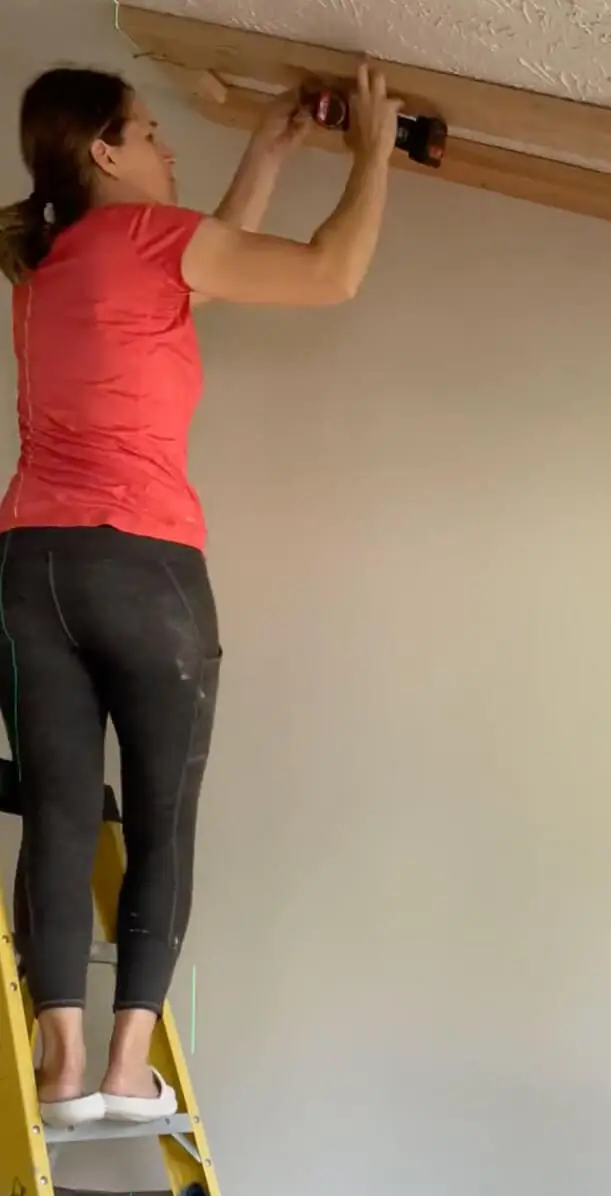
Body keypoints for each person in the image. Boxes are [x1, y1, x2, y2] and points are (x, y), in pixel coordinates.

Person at [0, 61, 400, 1128]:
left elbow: (198, 270)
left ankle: (61, 1066)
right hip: (147, 571)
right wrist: (370, 153)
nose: (168, 149)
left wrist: (268, 151)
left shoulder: (42, 264)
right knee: (162, 819)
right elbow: (332, 272)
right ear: (104, 152)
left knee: (59, 815)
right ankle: (129, 1071)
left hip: (31, 570)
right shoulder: (151, 243)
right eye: (150, 133)